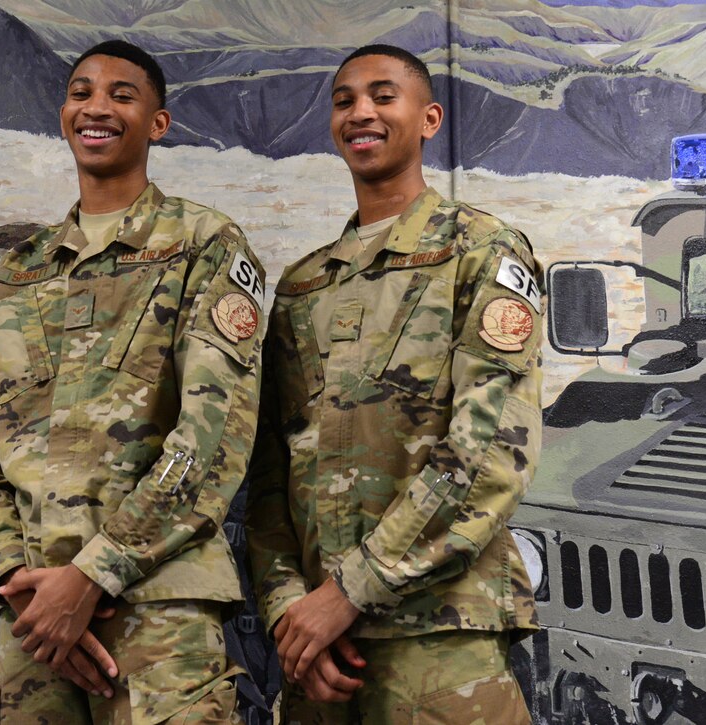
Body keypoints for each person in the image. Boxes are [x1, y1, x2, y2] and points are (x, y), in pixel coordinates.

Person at [0, 40, 264, 723]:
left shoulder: (204, 244)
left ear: (158, 123)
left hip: (159, 614)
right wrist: (19, 583)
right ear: (64, 114)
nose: (97, 107)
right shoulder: (14, 277)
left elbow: (213, 441)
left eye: (122, 95)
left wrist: (92, 576)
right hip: (32, 624)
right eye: (82, 92)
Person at [245, 44, 543, 724]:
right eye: (345, 100)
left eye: (383, 96)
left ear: (430, 117)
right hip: (320, 657)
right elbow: (267, 473)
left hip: (440, 644)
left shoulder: (483, 252)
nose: (361, 112)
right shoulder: (304, 285)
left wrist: (350, 588)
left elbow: (489, 452)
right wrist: (291, 609)